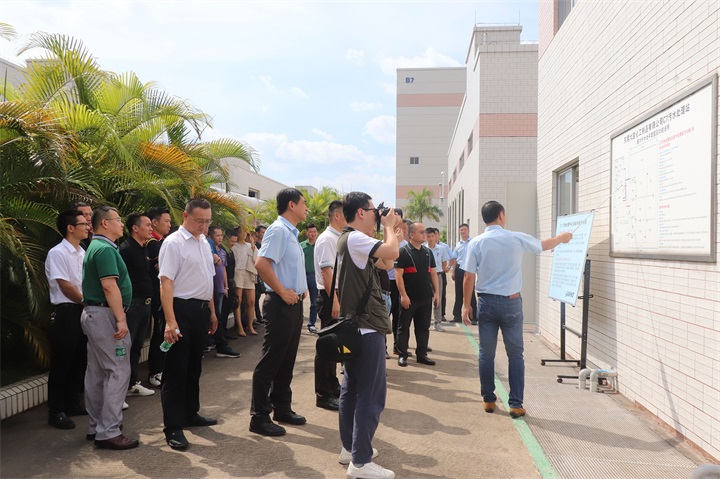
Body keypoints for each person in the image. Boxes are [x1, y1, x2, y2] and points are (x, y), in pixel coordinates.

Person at [462, 201, 572, 418]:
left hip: (485, 302)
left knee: (486, 354)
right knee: (515, 355)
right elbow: (544, 245)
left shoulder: (475, 243)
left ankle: (488, 400)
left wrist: (466, 305)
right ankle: (515, 404)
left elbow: (468, 276)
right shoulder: (515, 238)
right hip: (511, 303)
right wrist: (562, 238)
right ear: (501, 215)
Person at [336, 191, 400, 479]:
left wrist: (390, 231)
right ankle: (360, 462)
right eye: (374, 211)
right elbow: (393, 253)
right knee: (371, 394)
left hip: (355, 328)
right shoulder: (355, 239)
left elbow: (387, 264)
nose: (377, 215)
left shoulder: (349, 240)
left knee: (352, 390)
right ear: (360, 212)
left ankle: (350, 449)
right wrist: (388, 228)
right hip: (366, 328)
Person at [158, 198, 220, 450]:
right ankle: (173, 426)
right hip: (180, 310)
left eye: (207, 221)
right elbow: (166, 283)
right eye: (199, 221)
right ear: (185, 216)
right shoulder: (173, 243)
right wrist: (170, 321)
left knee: (194, 366)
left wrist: (212, 312)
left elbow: (209, 280)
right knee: (176, 370)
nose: (204, 226)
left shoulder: (204, 242)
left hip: (201, 311)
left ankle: (190, 413)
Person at [249, 188, 309, 437]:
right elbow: (262, 264)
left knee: (287, 359)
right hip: (281, 303)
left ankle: (282, 408)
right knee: (272, 360)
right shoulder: (278, 230)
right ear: (291, 205)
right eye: (304, 203)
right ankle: (259, 416)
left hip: (294, 303)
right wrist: (283, 291)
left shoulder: (291, 233)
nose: (307, 208)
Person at [80, 206, 138, 449]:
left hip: (96, 314)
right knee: (118, 370)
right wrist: (121, 319)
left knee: (96, 373)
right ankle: (109, 431)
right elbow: (109, 286)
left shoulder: (97, 246)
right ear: (105, 223)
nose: (121, 224)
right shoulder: (104, 249)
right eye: (118, 220)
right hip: (105, 315)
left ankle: (97, 427)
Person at [45, 209, 90, 430]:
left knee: (79, 359)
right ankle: (56, 411)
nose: (87, 227)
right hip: (66, 312)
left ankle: (72, 403)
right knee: (62, 363)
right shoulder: (57, 253)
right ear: (70, 228)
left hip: (82, 310)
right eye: (83, 224)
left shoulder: (82, 251)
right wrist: (87, 301)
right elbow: (65, 286)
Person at [312, 201, 347, 411]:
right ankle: (323, 394)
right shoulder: (327, 239)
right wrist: (334, 300)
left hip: (335, 295)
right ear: (337, 216)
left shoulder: (337, 237)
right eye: (346, 214)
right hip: (329, 297)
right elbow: (327, 273)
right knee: (326, 347)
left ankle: (332, 385)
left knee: (334, 345)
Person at [119, 212, 156, 398]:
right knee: (125, 347)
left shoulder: (144, 248)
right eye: (147, 225)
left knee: (136, 346)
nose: (151, 228)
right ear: (135, 228)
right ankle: (121, 388)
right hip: (132, 305)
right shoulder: (125, 249)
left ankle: (132, 384)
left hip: (145, 304)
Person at [394, 222, 439, 367]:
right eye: (421, 232)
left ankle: (422, 354)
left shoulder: (428, 253)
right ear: (411, 235)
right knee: (404, 327)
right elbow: (398, 275)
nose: (424, 234)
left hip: (425, 298)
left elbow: (433, 273)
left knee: (423, 328)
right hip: (409, 298)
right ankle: (402, 354)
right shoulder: (403, 252)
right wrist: (403, 295)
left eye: (424, 231)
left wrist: (436, 292)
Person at [145, 206, 172, 388]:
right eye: (166, 221)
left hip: (164, 293)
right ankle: (155, 370)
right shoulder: (152, 244)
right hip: (156, 294)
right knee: (159, 332)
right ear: (155, 222)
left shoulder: (162, 242)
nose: (169, 225)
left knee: (163, 332)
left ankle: (162, 367)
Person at [207, 225, 241, 358]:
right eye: (217, 235)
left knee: (218, 316)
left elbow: (224, 269)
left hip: (219, 288)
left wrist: (226, 286)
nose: (220, 238)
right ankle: (214, 343)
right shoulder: (206, 245)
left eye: (221, 235)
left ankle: (219, 344)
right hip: (208, 287)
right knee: (213, 316)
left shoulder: (221, 251)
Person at [232, 231, 259, 336]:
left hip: (249, 272)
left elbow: (256, 259)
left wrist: (252, 245)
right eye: (241, 232)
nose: (243, 234)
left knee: (251, 301)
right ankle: (239, 326)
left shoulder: (250, 246)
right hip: (238, 272)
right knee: (238, 301)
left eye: (245, 232)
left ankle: (250, 325)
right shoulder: (234, 246)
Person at [388, 216, 408, 355]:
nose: (403, 231)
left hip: (400, 284)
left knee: (399, 317)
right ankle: (383, 348)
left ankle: (398, 346)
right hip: (388, 282)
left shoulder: (406, 246)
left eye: (405, 229)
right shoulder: (387, 242)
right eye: (401, 228)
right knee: (385, 315)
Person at [452, 223, 476, 323]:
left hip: (469, 269)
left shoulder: (473, 243)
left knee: (471, 293)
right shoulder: (458, 244)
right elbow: (455, 258)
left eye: (465, 229)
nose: (463, 231)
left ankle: (474, 318)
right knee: (458, 293)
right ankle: (457, 316)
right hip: (459, 269)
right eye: (461, 230)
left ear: (468, 230)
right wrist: (453, 272)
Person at [427, 228, 449, 332]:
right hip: (426, 276)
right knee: (426, 299)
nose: (431, 238)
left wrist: (439, 271)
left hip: (438, 275)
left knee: (437, 298)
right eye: (429, 236)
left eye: (433, 236)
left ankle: (437, 322)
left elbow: (444, 263)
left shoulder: (441, 249)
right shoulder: (423, 248)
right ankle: (426, 322)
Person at [221, 228, 241, 340]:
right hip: (224, 282)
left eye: (235, 242)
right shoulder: (223, 250)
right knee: (223, 309)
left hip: (231, 281)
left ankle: (224, 332)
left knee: (228, 307)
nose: (233, 244)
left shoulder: (230, 251)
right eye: (232, 241)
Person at [301, 223, 319, 334]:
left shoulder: (320, 244)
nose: (313, 234)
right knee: (299, 300)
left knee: (314, 301)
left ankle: (311, 324)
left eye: (314, 232)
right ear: (307, 233)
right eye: (310, 232)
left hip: (315, 275)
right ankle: (298, 322)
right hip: (302, 275)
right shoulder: (301, 246)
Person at [253, 225, 267, 324]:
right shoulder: (254, 246)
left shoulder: (266, 245)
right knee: (256, 297)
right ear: (257, 233)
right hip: (257, 274)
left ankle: (265, 315)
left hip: (266, 273)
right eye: (262, 232)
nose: (264, 234)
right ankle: (258, 316)